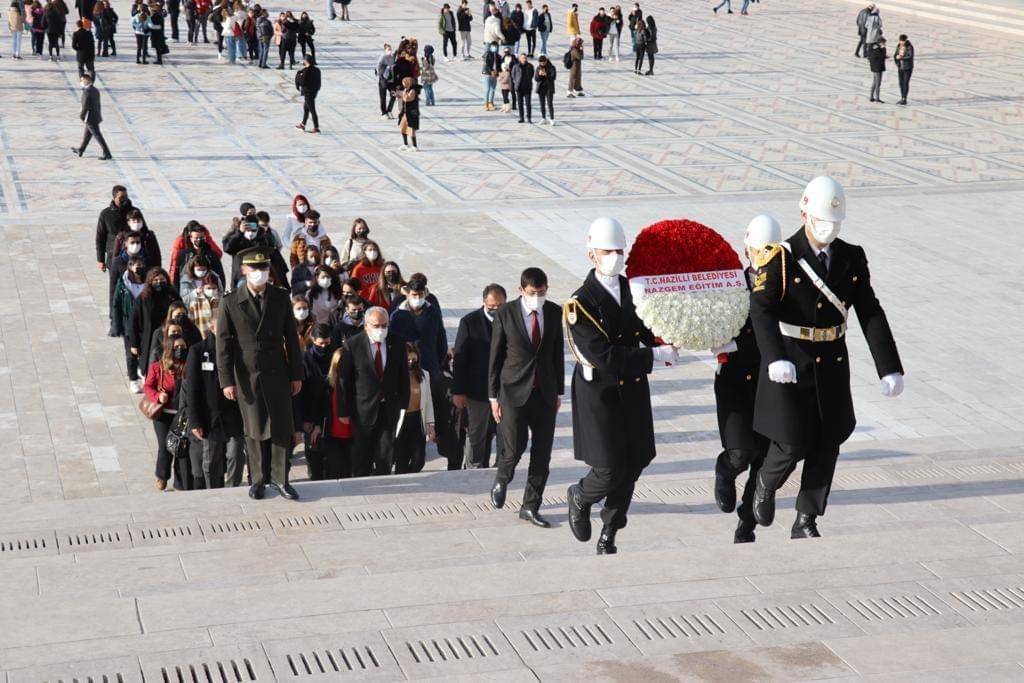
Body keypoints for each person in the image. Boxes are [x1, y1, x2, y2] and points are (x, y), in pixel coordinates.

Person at [749, 176, 904, 538]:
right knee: (792, 441)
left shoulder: (851, 257)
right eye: (822, 221)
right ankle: (765, 483)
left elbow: (869, 310)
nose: (828, 229)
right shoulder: (781, 258)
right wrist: (774, 357)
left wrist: (889, 367)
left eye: (835, 223)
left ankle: (807, 518)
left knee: (827, 440)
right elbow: (761, 309)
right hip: (791, 361)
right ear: (804, 213)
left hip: (832, 360)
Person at [565, 218, 678, 554]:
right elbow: (605, 356)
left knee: (635, 460)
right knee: (609, 467)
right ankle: (580, 495)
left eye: (618, 251)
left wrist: (670, 336)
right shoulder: (580, 303)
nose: (613, 256)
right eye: (606, 251)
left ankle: (610, 530)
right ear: (591, 254)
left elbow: (647, 327)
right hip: (600, 394)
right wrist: (653, 356)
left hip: (632, 389)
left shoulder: (634, 289)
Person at [712, 215, 781, 544]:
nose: (763, 259)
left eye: (771, 252)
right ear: (746, 252)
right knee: (742, 452)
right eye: (758, 252)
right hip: (737, 382)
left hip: (773, 385)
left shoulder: (787, 289)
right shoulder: (731, 289)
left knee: (765, 458)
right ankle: (724, 470)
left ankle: (746, 523)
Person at [216, 246, 304, 501]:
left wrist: (296, 374)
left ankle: (280, 479)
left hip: (277, 372)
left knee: (280, 426)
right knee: (253, 429)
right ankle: (257, 480)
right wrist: (226, 381)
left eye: (263, 268)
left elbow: (292, 339)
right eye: (254, 268)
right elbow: (223, 344)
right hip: (247, 375)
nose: (259, 273)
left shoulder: (280, 297)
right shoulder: (231, 300)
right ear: (243, 270)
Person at [488, 267, 563, 529]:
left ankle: (531, 506)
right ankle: (502, 477)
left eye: (542, 293)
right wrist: (493, 397)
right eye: (533, 293)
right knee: (514, 448)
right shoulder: (506, 313)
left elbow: (556, 354)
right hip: (512, 392)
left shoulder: (554, 312)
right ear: (521, 290)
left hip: (544, 393)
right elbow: (495, 358)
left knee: (542, 455)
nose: (537, 297)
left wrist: (558, 392)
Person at [186, 277, 245, 489]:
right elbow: (192, 389)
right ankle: (214, 492)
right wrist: (195, 421)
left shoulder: (237, 350)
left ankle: (233, 488)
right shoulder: (198, 351)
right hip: (210, 417)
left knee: (236, 454)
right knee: (211, 461)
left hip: (234, 415)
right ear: (211, 326)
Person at [338, 306, 410, 476]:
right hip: (363, 410)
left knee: (385, 453)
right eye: (377, 326)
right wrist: (343, 410)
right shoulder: (352, 345)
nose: (381, 330)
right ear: (366, 326)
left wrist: (403, 404)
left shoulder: (397, 342)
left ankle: (383, 484)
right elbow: (344, 381)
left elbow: (403, 375)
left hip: (389, 407)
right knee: (362, 454)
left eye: (385, 325)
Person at [453, 283, 506, 469]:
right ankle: (474, 469)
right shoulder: (469, 322)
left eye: (500, 306)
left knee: (505, 434)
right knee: (477, 435)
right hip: (478, 392)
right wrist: (458, 391)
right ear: (484, 302)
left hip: (504, 392)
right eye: (492, 307)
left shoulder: (511, 319)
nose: (496, 310)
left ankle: (502, 469)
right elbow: (459, 359)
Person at [145, 334, 190, 490]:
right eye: (176, 347)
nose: (180, 350)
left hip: (182, 414)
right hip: (163, 414)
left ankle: (180, 481)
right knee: (165, 445)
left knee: (180, 446)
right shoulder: (158, 367)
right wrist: (158, 396)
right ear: (169, 349)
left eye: (183, 347)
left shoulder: (189, 365)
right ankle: (162, 475)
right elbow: (148, 387)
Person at [297, 324, 333, 480]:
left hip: (331, 412)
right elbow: (301, 393)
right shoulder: (305, 359)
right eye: (320, 343)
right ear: (313, 340)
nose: (324, 346)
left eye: (327, 342)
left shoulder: (335, 356)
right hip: (311, 412)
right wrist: (305, 420)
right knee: (314, 453)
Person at [393, 343, 436, 473]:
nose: (411, 362)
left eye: (413, 359)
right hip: (402, 420)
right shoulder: (396, 375)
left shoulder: (424, 375)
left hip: (418, 419)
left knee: (419, 460)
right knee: (401, 459)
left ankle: (411, 474)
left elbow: (428, 400)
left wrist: (430, 424)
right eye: (408, 360)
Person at [111, 256, 148, 392]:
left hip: (145, 324)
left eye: (140, 264)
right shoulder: (123, 284)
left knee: (146, 351)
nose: (138, 268)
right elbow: (116, 305)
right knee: (131, 352)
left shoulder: (148, 282)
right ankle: (133, 379)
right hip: (128, 325)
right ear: (130, 267)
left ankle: (144, 373)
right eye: (135, 265)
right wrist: (116, 325)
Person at [96, 185, 133, 317]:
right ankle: (116, 312)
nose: (124, 200)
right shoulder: (105, 214)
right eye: (121, 197)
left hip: (132, 255)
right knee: (116, 285)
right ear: (114, 197)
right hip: (113, 257)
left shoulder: (133, 212)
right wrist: (100, 260)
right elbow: (100, 237)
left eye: (126, 197)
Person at [169, 220, 224, 289]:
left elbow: (218, 254)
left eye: (201, 237)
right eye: (196, 238)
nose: (199, 240)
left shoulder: (210, 253)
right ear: (190, 236)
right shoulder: (181, 243)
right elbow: (175, 264)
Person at [72, 73, 112, 160]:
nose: (81, 82)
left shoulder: (87, 92)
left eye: (82, 80)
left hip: (90, 118)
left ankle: (107, 153)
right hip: (95, 116)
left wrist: (82, 116)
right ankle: (81, 149)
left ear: (87, 80)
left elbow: (85, 106)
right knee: (87, 135)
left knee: (97, 135)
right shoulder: (95, 90)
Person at [350, 240, 388, 308]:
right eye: (370, 250)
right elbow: (354, 287)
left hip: (381, 299)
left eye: (374, 249)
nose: (373, 252)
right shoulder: (358, 268)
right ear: (364, 252)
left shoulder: (382, 266)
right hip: (366, 300)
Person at [294, 54, 321, 133]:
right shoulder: (317, 70)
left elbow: (302, 82)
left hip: (308, 93)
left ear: (306, 61)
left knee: (312, 110)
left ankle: (316, 128)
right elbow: (319, 83)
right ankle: (303, 125)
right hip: (314, 92)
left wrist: (298, 75)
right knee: (306, 108)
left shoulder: (306, 71)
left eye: (304, 60)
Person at [397, 76, 422, 151]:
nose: (403, 85)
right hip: (405, 113)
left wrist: (403, 94)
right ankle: (405, 144)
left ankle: (414, 146)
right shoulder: (407, 90)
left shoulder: (413, 91)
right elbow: (404, 98)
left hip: (411, 114)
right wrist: (398, 94)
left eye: (404, 84)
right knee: (403, 128)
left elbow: (407, 99)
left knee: (411, 130)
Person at [510, 52, 534, 123]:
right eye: (523, 58)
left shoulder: (530, 66)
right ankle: (521, 117)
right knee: (520, 104)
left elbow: (532, 74)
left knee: (528, 103)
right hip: (519, 87)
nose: (524, 59)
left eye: (525, 58)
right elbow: (513, 75)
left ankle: (529, 117)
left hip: (527, 87)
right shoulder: (516, 66)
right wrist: (517, 82)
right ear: (520, 59)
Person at [534, 54, 556, 125]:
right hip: (541, 88)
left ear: (546, 61)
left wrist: (546, 74)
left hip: (549, 88)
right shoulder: (538, 68)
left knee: (550, 104)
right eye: (540, 62)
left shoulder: (552, 67)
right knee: (542, 104)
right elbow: (536, 78)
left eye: (543, 61)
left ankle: (552, 119)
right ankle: (543, 118)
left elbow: (553, 77)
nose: (542, 63)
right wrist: (539, 75)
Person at [376, 43, 396, 119]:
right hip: (383, 80)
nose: (390, 51)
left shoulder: (392, 57)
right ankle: (383, 113)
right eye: (388, 49)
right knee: (383, 97)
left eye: (390, 49)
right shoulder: (383, 57)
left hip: (390, 80)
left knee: (393, 95)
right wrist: (382, 76)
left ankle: (389, 110)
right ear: (385, 50)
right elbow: (378, 68)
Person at [894, 33, 913, 105]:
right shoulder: (898, 46)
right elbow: (895, 54)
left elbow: (910, 56)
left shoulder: (909, 47)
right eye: (900, 41)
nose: (901, 42)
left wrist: (902, 58)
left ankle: (904, 98)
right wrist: (897, 61)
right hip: (900, 67)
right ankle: (902, 97)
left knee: (905, 82)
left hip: (907, 67)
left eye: (903, 41)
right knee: (900, 83)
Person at [482, 41, 500, 111]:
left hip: (495, 74)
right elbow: (486, 65)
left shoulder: (498, 56)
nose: (494, 48)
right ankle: (485, 103)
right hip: (488, 74)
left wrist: (497, 72)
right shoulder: (487, 54)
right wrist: (491, 71)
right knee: (487, 89)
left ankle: (491, 103)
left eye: (496, 46)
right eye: (493, 46)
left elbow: (499, 65)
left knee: (493, 89)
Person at [868, 37, 886, 103]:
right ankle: (877, 98)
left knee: (874, 83)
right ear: (880, 43)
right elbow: (882, 56)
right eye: (884, 43)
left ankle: (871, 97)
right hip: (878, 68)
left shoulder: (874, 47)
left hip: (874, 68)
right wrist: (884, 48)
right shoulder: (878, 49)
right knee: (878, 83)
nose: (884, 44)